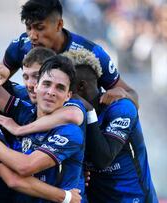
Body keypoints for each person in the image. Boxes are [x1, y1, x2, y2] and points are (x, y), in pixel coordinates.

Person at [0, 55, 85, 202]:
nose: (51, 92)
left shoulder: (70, 132)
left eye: (60, 88)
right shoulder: (25, 112)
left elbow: (25, 166)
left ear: (68, 96)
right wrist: (5, 71)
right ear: (36, 87)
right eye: (46, 84)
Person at [63, 49, 158, 203]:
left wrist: (89, 113)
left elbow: (102, 159)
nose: (62, 93)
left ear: (80, 87)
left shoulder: (121, 108)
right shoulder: (71, 112)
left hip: (132, 198)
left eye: (65, 87)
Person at [3, 0, 139, 107]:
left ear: (59, 25)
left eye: (39, 28)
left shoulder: (91, 52)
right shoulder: (21, 45)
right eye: (28, 28)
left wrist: (123, 95)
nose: (32, 35)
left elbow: (132, 95)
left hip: (81, 123)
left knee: (125, 108)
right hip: (37, 116)